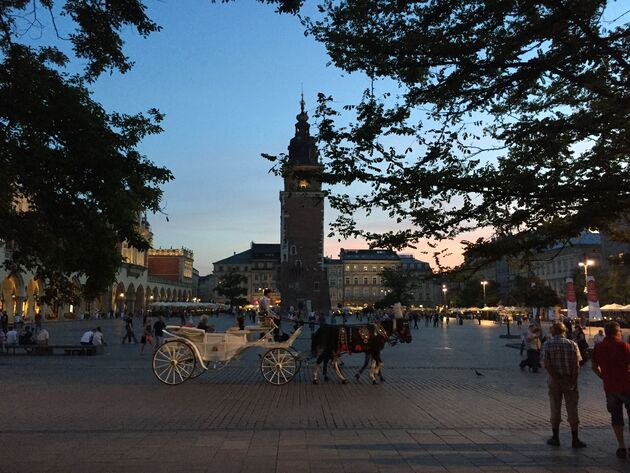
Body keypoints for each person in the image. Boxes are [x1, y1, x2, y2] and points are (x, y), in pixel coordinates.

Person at [541, 322, 586, 448]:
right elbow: (577, 365)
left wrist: (557, 378)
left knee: (555, 407)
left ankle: (555, 437)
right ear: (564, 331)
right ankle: (575, 438)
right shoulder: (572, 344)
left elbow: (546, 364)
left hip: (554, 381)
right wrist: (573, 380)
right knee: (572, 408)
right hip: (570, 380)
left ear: (554, 331)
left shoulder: (547, 344)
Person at [591, 321, 630, 459]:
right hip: (627, 385)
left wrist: (603, 376)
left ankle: (621, 446)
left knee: (616, 417)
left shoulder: (599, 347)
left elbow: (594, 366)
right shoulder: (624, 347)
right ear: (618, 332)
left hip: (610, 387)